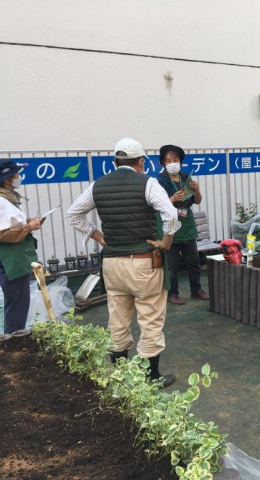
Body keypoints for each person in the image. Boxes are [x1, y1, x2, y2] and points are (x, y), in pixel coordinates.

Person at [66, 138, 180, 388]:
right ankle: (151, 377)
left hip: (112, 264)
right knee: (150, 318)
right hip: (143, 264)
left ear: (115, 162)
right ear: (140, 161)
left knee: (117, 319)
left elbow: (73, 215)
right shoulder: (148, 183)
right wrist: (165, 242)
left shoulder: (98, 185)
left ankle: (120, 377)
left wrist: (98, 236)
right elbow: (170, 214)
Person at [0, 160, 43, 334]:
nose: (19, 177)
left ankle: (15, 338)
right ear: (7, 179)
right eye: (16, 174)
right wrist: (28, 227)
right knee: (16, 305)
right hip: (9, 259)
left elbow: (9, 224)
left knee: (20, 303)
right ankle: (13, 342)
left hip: (15, 257)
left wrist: (29, 223)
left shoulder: (5, 198)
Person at [157, 145, 209, 305]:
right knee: (171, 265)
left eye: (175, 160)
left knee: (194, 262)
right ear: (163, 163)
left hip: (187, 225)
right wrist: (172, 199)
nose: (172, 163)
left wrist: (197, 191)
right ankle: (172, 293)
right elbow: (157, 204)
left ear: (180, 161)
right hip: (170, 227)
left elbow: (197, 201)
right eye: (168, 161)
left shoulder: (186, 177)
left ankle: (196, 290)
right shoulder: (159, 181)